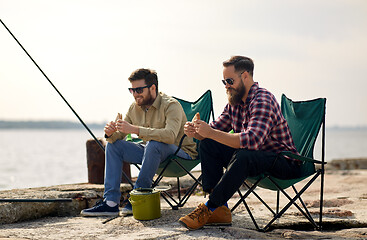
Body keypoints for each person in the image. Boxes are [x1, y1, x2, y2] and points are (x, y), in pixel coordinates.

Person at [179, 56, 302, 230]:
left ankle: (209, 207)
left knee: (244, 154)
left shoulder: (262, 99)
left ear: (245, 76)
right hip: (255, 157)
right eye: (224, 82)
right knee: (208, 144)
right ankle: (220, 209)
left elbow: (252, 140)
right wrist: (197, 132)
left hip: (284, 162)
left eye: (230, 81)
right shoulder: (235, 103)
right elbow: (212, 131)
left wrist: (210, 132)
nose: (226, 86)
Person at [81, 68, 197, 216]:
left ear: (152, 88)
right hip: (152, 152)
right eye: (132, 90)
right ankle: (110, 203)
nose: (135, 94)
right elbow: (120, 135)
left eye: (139, 90)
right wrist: (110, 134)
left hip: (181, 155)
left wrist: (135, 129)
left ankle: (138, 195)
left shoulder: (171, 105)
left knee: (154, 144)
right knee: (113, 146)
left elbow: (170, 136)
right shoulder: (134, 108)